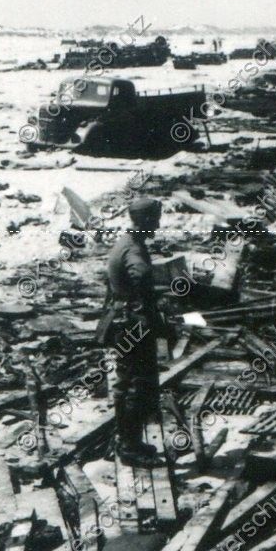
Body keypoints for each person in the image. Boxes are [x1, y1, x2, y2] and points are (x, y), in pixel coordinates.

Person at [102, 198, 173, 467]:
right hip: (133, 326)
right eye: (154, 219)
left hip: (125, 321)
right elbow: (140, 279)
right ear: (143, 221)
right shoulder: (132, 249)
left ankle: (127, 440)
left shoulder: (126, 243)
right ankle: (129, 448)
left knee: (128, 382)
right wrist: (153, 318)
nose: (158, 224)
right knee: (138, 384)